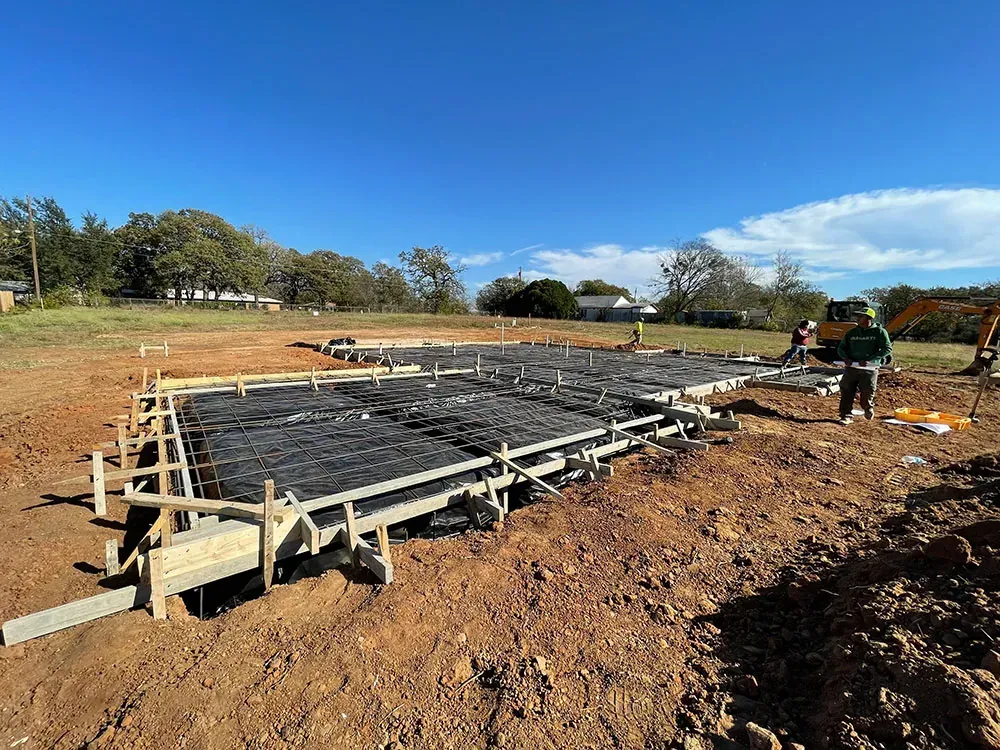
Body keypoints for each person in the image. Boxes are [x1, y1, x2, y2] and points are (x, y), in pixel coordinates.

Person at [836, 307, 892, 425]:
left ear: (869, 318)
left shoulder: (879, 332)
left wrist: (869, 359)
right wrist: (846, 358)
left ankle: (867, 407)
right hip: (852, 367)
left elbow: (887, 349)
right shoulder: (852, 332)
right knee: (846, 391)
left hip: (869, 368)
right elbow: (841, 347)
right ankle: (846, 415)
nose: (858, 318)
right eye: (858, 316)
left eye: (861, 316)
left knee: (867, 391)